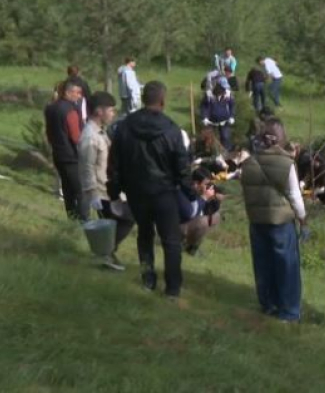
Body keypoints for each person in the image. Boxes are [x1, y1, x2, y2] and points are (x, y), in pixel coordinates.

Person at [108, 81, 192, 298]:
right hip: (164, 192)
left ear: (143, 99)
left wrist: (114, 191)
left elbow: (114, 162)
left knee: (144, 235)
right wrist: (190, 192)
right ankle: (172, 288)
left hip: (136, 191)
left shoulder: (125, 127)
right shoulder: (172, 130)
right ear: (163, 101)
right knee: (171, 240)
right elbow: (182, 166)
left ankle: (148, 279)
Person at [240, 118, 308, 322]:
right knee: (286, 266)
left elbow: (246, 193)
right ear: (281, 139)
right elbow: (295, 196)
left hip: (257, 221)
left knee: (263, 265)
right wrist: (303, 220)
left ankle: (268, 304)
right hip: (280, 222)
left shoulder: (249, 163)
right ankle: (289, 311)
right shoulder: (286, 164)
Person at [77, 91, 133, 269]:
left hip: (108, 189)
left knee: (120, 221)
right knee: (126, 219)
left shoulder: (100, 132)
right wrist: (92, 193)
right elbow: (87, 167)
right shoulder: (90, 137)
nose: (113, 113)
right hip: (100, 192)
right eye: (110, 110)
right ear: (99, 111)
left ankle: (106, 254)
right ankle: (105, 254)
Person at [45, 79, 84, 220]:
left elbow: (48, 132)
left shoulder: (51, 108)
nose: (79, 96)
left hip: (58, 153)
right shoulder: (70, 110)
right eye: (77, 93)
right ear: (68, 92)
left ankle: (71, 218)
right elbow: (75, 136)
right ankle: (84, 221)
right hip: (72, 156)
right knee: (80, 191)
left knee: (67, 190)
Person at [177, 168, 224, 256]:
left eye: (209, 184)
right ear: (196, 184)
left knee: (216, 216)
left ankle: (192, 247)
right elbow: (190, 214)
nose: (208, 187)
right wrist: (204, 198)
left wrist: (215, 200)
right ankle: (184, 246)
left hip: (188, 225)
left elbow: (208, 212)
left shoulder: (200, 192)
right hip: (177, 227)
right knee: (203, 222)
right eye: (206, 184)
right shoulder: (186, 192)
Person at [200, 84, 236, 151]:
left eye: (220, 94)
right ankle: (210, 152)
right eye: (218, 94)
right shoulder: (209, 96)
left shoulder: (227, 95)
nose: (219, 95)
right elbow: (204, 107)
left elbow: (232, 106)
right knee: (208, 138)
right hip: (211, 121)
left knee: (225, 137)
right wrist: (204, 117)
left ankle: (227, 152)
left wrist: (232, 116)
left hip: (224, 120)